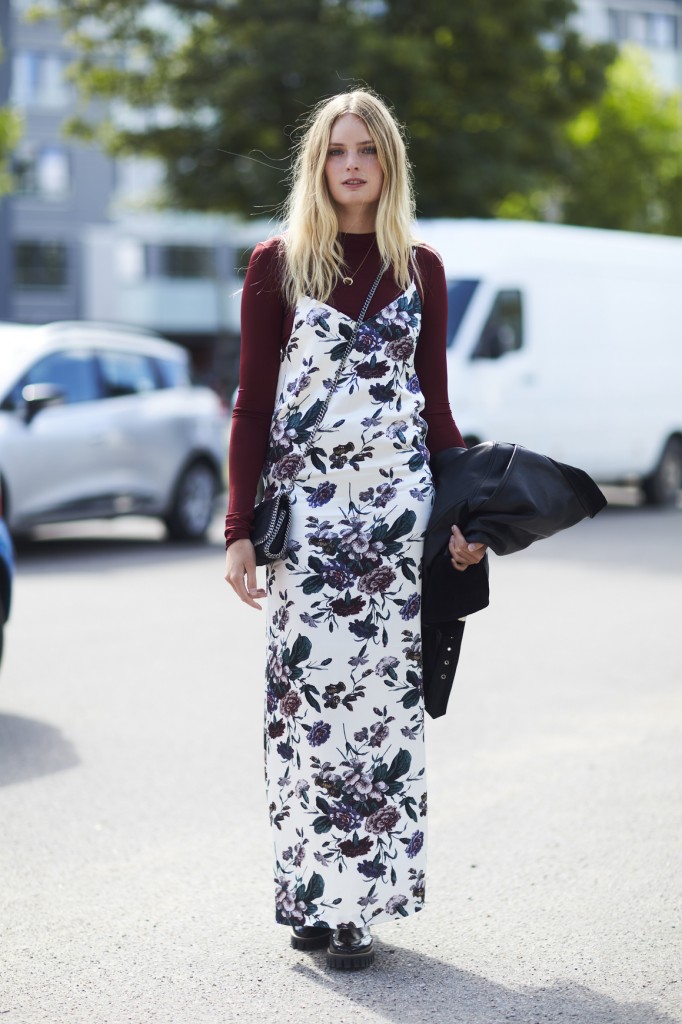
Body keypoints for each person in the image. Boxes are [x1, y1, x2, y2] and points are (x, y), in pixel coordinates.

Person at [224, 88, 486, 970]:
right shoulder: (278, 264)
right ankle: (313, 894)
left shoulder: (423, 268)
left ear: (388, 164)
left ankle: (352, 908)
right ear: (317, 163)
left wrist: (462, 518)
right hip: (310, 526)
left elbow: (438, 413)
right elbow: (253, 406)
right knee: (309, 716)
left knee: (380, 719)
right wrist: (238, 529)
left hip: (396, 530)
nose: (350, 165)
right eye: (337, 150)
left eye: (365, 150)